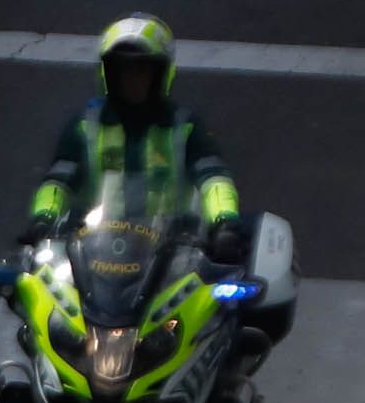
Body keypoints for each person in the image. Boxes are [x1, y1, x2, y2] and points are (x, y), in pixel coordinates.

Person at [25, 15, 244, 264]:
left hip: (172, 257)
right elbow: (58, 182)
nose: (132, 79)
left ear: (160, 74)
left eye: (142, 70)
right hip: (93, 254)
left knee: (224, 297)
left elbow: (214, 179)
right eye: (123, 70)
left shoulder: (185, 127)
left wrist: (225, 222)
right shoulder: (86, 127)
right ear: (109, 74)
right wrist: (43, 218)